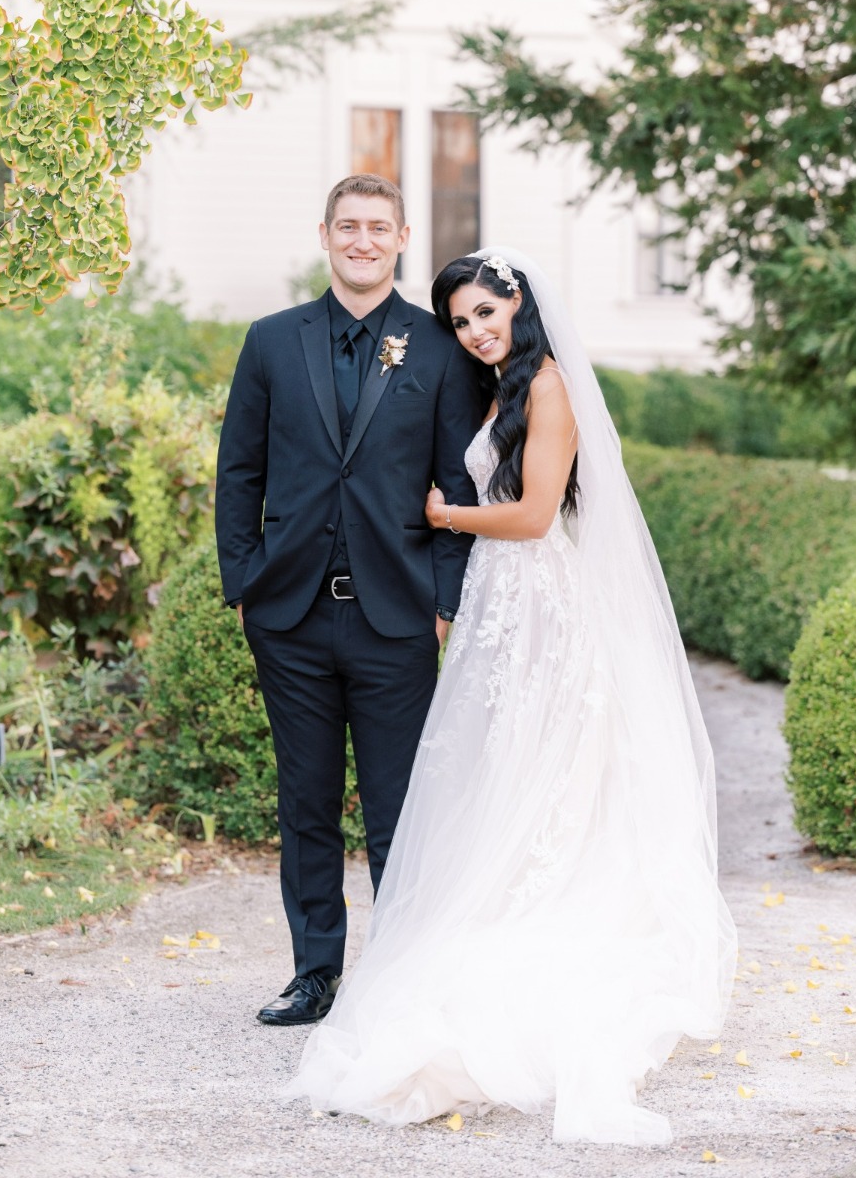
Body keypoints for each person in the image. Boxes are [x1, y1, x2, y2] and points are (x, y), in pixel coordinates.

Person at [286, 248, 738, 1145]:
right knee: (499, 778)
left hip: (544, 603)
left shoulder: (552, 388)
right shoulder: (507, 387)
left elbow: (534, 515)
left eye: (486, 313)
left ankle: (544, 949)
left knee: (544, 782)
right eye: (460, 322)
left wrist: (446, 516)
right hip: (506, 604)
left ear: (518, 300)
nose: (475, 332)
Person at [215, 175, 483, 1027]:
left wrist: (444, 601)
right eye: (347, 227)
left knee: (400, 810)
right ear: (323, 235)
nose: (362, 241)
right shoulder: (269, 341)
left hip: (397, 617)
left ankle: (400, 977)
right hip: (288, 617)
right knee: (306, 801)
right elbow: (239, 473)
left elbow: (459, 486)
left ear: (402, 236)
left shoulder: (438, 349)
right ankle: (315, 974)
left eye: (378, 227)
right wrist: (244, 589)